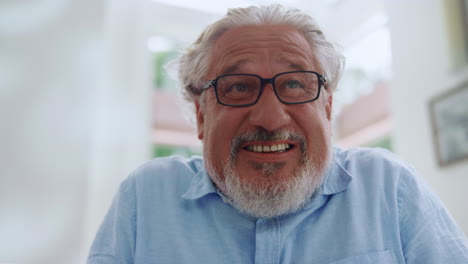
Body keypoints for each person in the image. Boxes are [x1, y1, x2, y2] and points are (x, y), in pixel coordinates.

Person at [87, 5, 468, 263]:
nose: (270, 118)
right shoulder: (145, 196)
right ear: (202, 114)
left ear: (328, 107)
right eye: (237, 87)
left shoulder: (389, 187)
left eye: (296, 84)